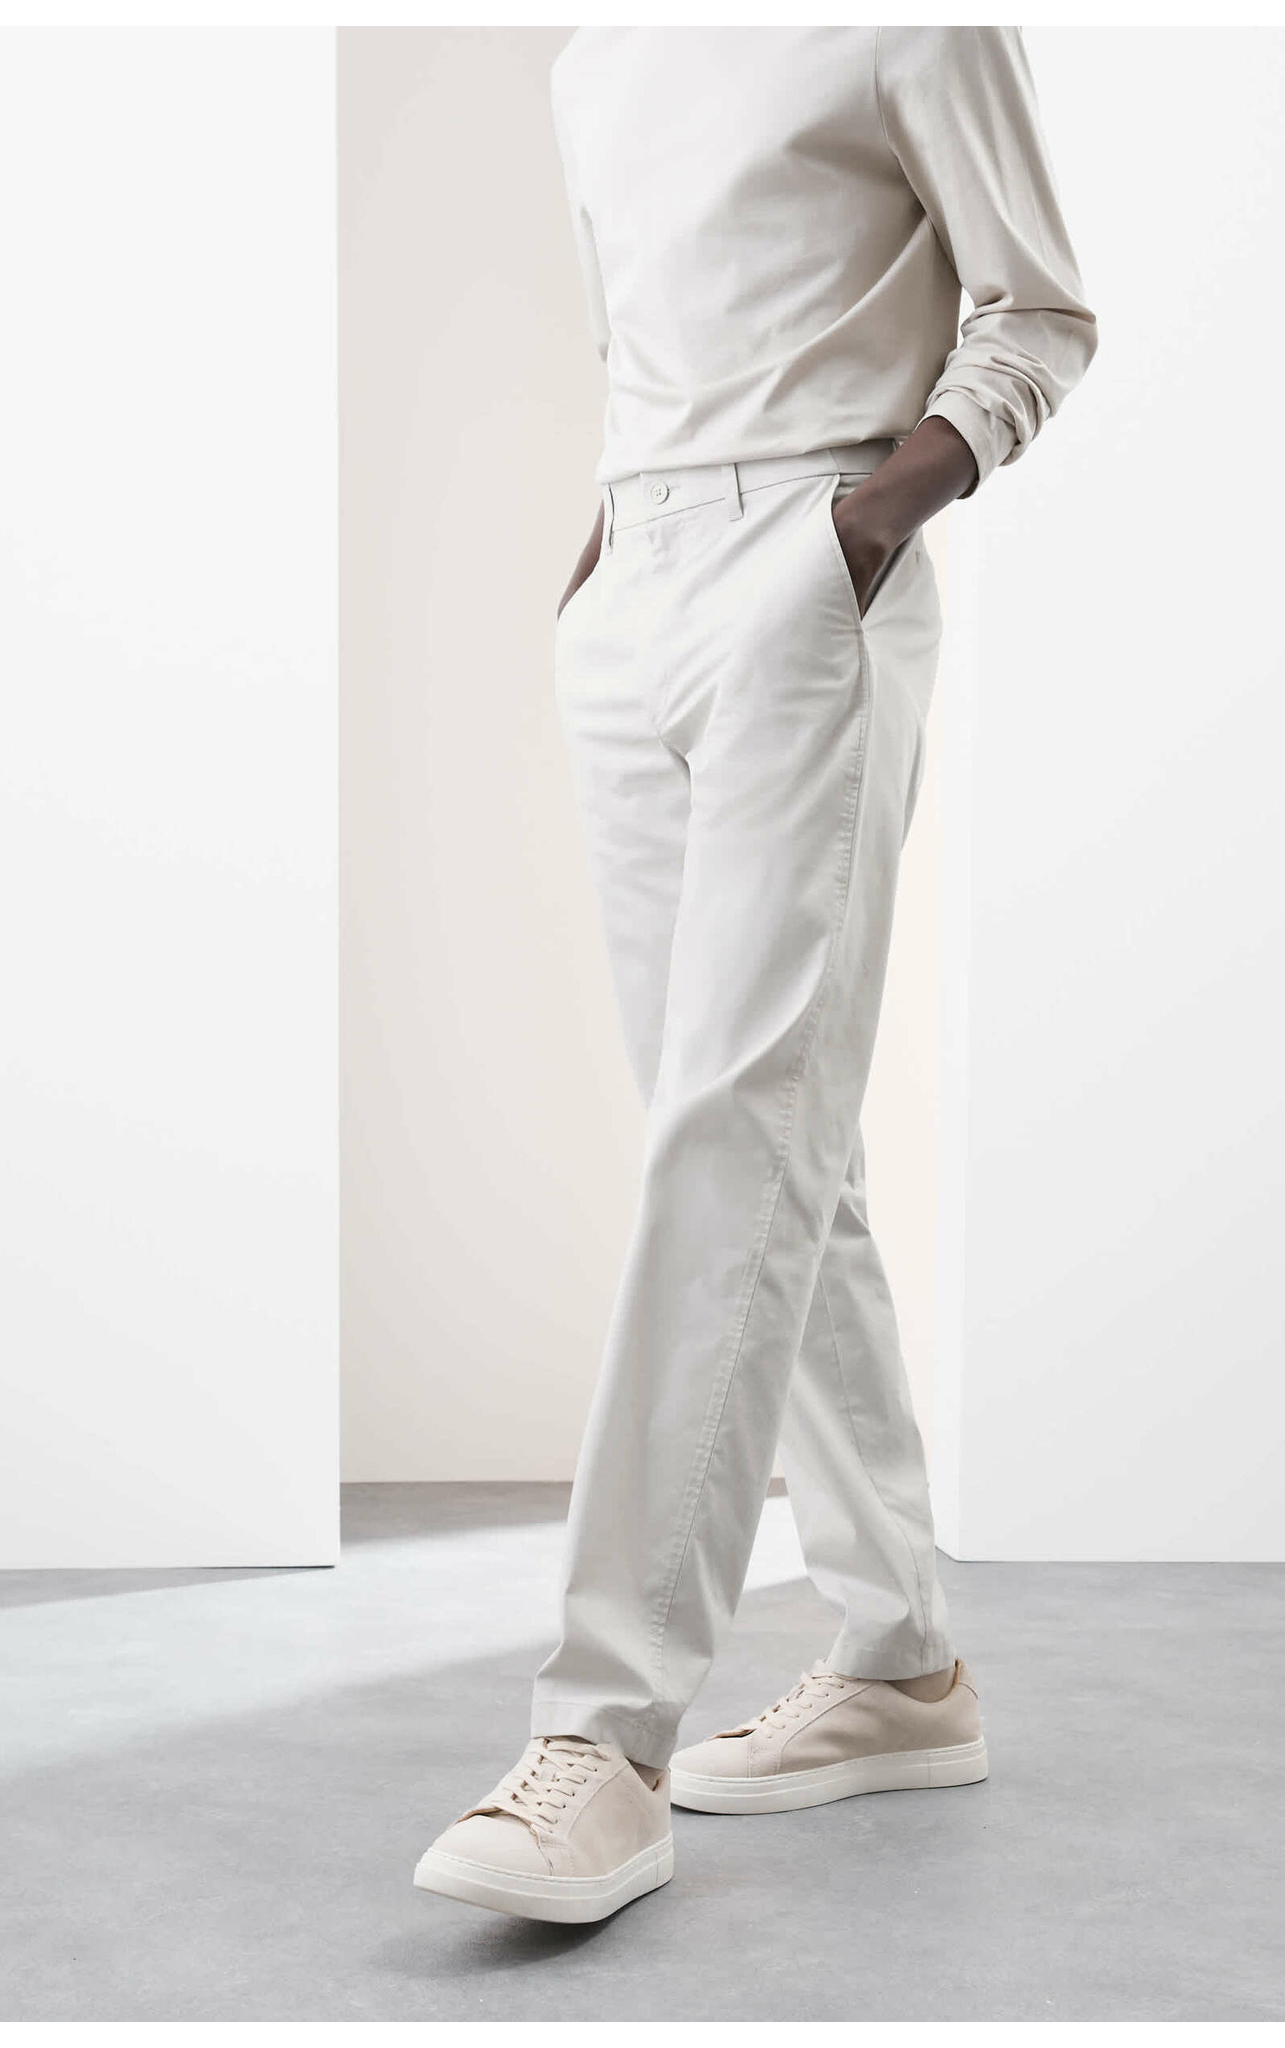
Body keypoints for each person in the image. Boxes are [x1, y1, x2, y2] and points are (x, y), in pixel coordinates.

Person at [415, 26, 1097, 1925]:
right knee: (770, 1149)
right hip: (633, 594)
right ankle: (900, 1663)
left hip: (809, 558)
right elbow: (642, 343)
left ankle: (602, 1733)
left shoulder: (913, 20)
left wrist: (867, 520)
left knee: (738, 1140)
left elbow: (1040, 311)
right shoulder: (598, 56)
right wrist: (607, 558)